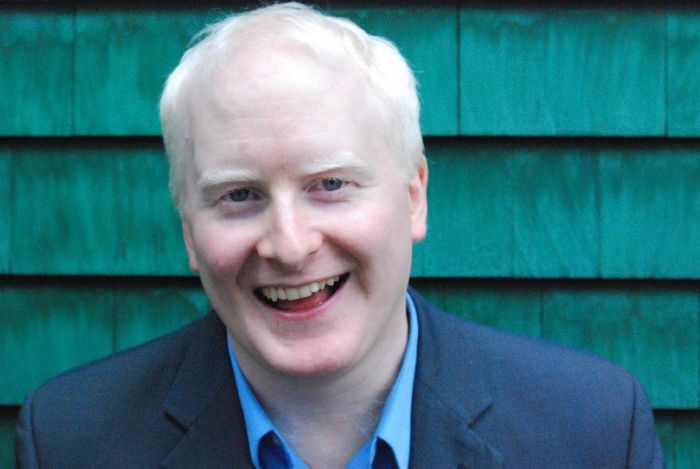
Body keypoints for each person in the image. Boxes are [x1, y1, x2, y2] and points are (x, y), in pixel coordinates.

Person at [15, 3, 663, 468]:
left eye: (330, 184)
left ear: (414, 195)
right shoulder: (73, 441)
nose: (289, 245)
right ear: (189, 228)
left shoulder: (593, 431)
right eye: (239, 195)